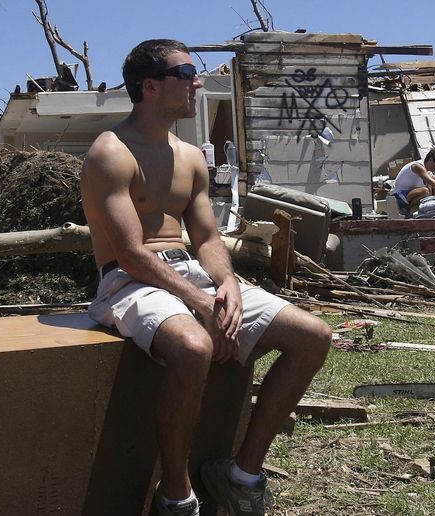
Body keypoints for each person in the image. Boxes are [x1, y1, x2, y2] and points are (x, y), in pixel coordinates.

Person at [80, 39, 332, 516]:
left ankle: (241, 476)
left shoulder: (189, 156)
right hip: (128, 282)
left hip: (188, 271)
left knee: (314, 336)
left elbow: (208, 239)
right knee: (194, 348)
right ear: (150, 86)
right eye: (187, 72)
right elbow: (132, 255)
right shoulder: (109, 152)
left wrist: (228, 285)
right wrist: (200, 301)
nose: (198, 81)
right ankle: (177, 495)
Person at [390, 148, 435, 217]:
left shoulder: (428, 173)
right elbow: (433, 184)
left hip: (410, 196)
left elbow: (434, 184)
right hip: (399, 197)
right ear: (431, 160)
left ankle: (434, 209)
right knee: (425, 191)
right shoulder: (417, 166)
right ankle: (405, 210)